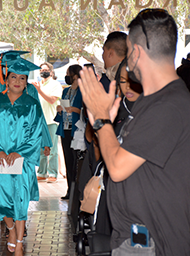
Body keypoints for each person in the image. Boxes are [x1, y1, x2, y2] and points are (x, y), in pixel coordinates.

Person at [78, 9, 190, 255]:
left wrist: (101, 120)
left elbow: (117, 168)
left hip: (156, 243)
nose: (127, 62)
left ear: (137, 52)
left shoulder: (169, 105)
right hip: (138, 239)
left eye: (128, 52)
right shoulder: (152, 102)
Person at [0, 59, 43, 256]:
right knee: (2, 201)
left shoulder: (32, 104)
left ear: (26, 83)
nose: (17, 81)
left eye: (22, 78)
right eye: (13, 77)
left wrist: (20, 152)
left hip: (21, 160)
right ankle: (11, 229)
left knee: (21, 199)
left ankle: (18, 243)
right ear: (6, 80)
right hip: (0, 160)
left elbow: (36, 133)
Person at [54, 64, 83, 200]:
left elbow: (85, 110)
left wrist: (75, 110)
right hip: (65, 128)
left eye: (68, 73)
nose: (66, 76)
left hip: (77, 129)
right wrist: (60, 110)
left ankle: (78, 190)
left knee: (77, 161)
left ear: (76, 75)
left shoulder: (83, 91)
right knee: (68, 160)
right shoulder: (66, 91)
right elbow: (63, 107)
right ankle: (69, 190)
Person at [33, 62, 62, 183]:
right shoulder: (39, 84)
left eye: (45, 70)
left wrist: (39, 90)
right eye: (41, 70)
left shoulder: (56, 85)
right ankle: (41, 172)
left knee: (52, 149)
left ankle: (53, 173)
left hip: (51, 120)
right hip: (39, 121)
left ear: (51, 71)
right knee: (40, 149)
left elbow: (51, 100)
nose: (42, 72)